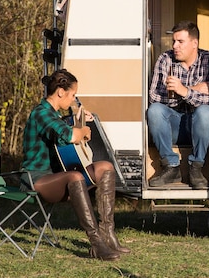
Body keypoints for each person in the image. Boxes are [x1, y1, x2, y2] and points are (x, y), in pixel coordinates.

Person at [20, 69, 130, 261]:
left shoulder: (53, 115)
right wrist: (82, 130)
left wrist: (77, 119)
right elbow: (69, 135)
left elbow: (62, 128)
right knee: (75, 176)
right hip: (36, 178)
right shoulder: (41, 113)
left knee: (105, 167)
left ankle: (107, 234)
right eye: (72, 95)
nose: (73, 99)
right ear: (60, 92)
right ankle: (96, 244)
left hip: (55, 176)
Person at [147, 21, 209, 189]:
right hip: (173, 127)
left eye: (180, 42)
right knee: (155, 111)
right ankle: (171, 167)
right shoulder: (165, 59)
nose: (175, 46)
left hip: (201, 128)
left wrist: (184, 90)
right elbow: (154, 97)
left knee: (205, 112)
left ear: (194, 43)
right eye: (174, 41)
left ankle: (196, 168)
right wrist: (193, 91)